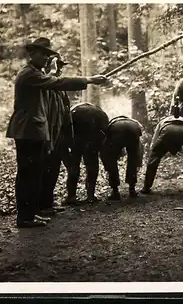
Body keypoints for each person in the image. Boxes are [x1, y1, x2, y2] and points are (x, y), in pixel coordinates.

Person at [6, 37, 108, 228]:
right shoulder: (29, 74)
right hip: (28, 131)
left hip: (35, 131)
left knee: (34, 174)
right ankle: (25, 217)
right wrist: (89, 79)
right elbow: (58, 82)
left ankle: (31, 213)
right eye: (43, 54)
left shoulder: (36, 73)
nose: (46, 58)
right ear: (32, 53)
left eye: (48, 55)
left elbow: (55, 80)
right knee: (28, 174)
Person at [141, 97, 183, 194]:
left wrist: (154, 150)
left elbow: (156, 138)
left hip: (168, 131)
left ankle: (146, 187)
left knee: (154, 158)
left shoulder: (164, 120)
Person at [38, 54, 74, 217]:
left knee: (54, 170)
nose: (60, 70)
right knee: (45, 170)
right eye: (57, 66)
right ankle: (42, 205)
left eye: (61, 67)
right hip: (48, 135)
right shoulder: (46, 83)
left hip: (59, 135)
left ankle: (48, 203)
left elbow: (65, 112)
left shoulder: (59, 88)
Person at [64, 102, 109, 205]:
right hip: (92, 139)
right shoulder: (99, 112)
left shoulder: (74, 111)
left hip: (77, 139)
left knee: (74, 166)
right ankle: (90, 195)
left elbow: (67, 128)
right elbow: (105, 132)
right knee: (92, 164)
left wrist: (68, 145)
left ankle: (71, 196)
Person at [100, 115, 144, 201]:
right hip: (134, 129)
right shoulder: (134, 122)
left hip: (116, 130)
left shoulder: (112, 123)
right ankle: (132, 189)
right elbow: (139, 145)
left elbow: (106, 144)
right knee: (132, 159)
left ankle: (115, 191)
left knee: (111, 159)